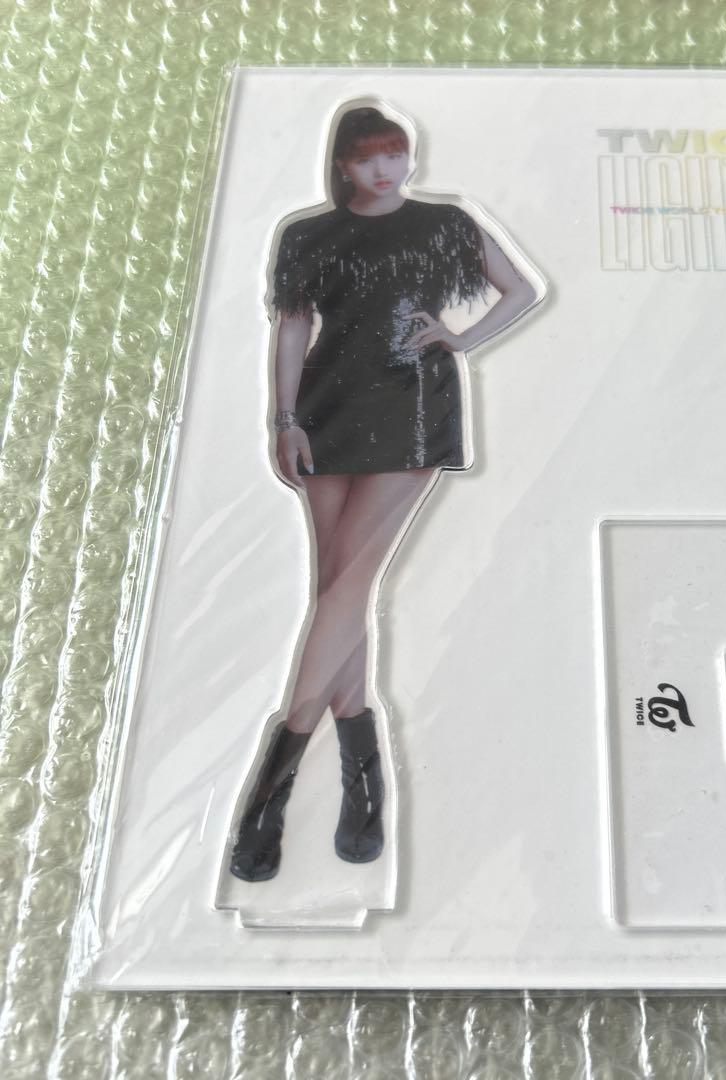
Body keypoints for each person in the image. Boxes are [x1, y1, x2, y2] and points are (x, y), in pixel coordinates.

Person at [228, 104, 539, 882]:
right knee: (337, 589)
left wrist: (461, 340)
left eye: (395, 154)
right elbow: (292, 327)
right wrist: (283, 419)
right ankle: (363, 785)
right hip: (327, 410)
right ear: (343, 165)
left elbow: (519, 290)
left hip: (413, 406)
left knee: (347, 586)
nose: (386, 169)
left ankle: (270, 788)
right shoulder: (307, 235)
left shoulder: (444, 223)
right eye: (369, 158)